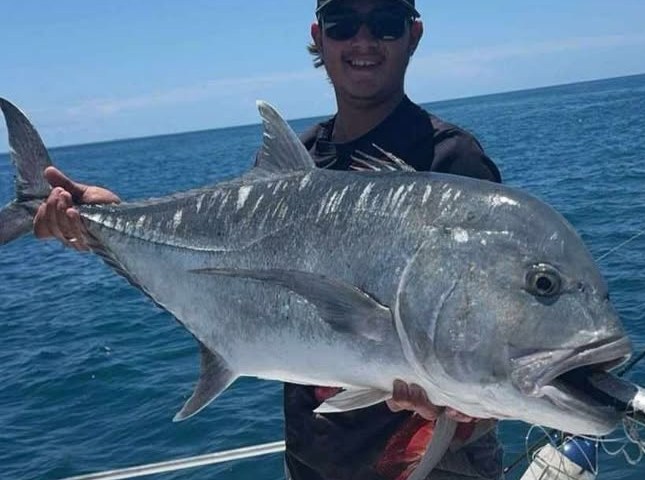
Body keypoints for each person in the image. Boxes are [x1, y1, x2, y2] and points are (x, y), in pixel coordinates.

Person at [33, 1, 504, 479]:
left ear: (414, 35)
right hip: (311, 460)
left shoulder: (451, 165)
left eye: (384, 24)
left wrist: (462, 403)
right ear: (319, 37)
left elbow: (495, 348)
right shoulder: (297, 160)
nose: (363, 41)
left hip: (433, 463)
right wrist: (102, 223)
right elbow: (218, 258)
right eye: (343, 24)